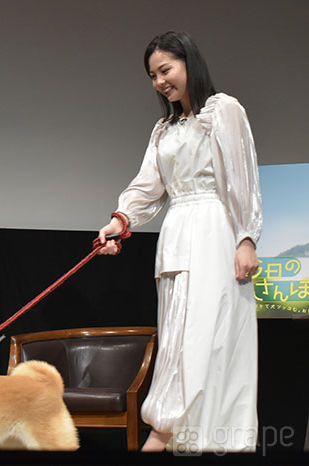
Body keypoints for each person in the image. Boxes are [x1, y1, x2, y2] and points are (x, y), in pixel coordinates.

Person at [97, 31, 262, 453]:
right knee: (176, 339)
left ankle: (174, 435)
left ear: (189, 63)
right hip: (176, 235)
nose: (159, 82)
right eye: (152, 75)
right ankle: (174, 436)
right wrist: (120, 220)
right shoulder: (165, 128)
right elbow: (147, 186)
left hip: (214, 232)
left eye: (165, 70)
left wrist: (245, 237)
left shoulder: (223, 110)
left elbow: (242, 178)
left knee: (209, 338)